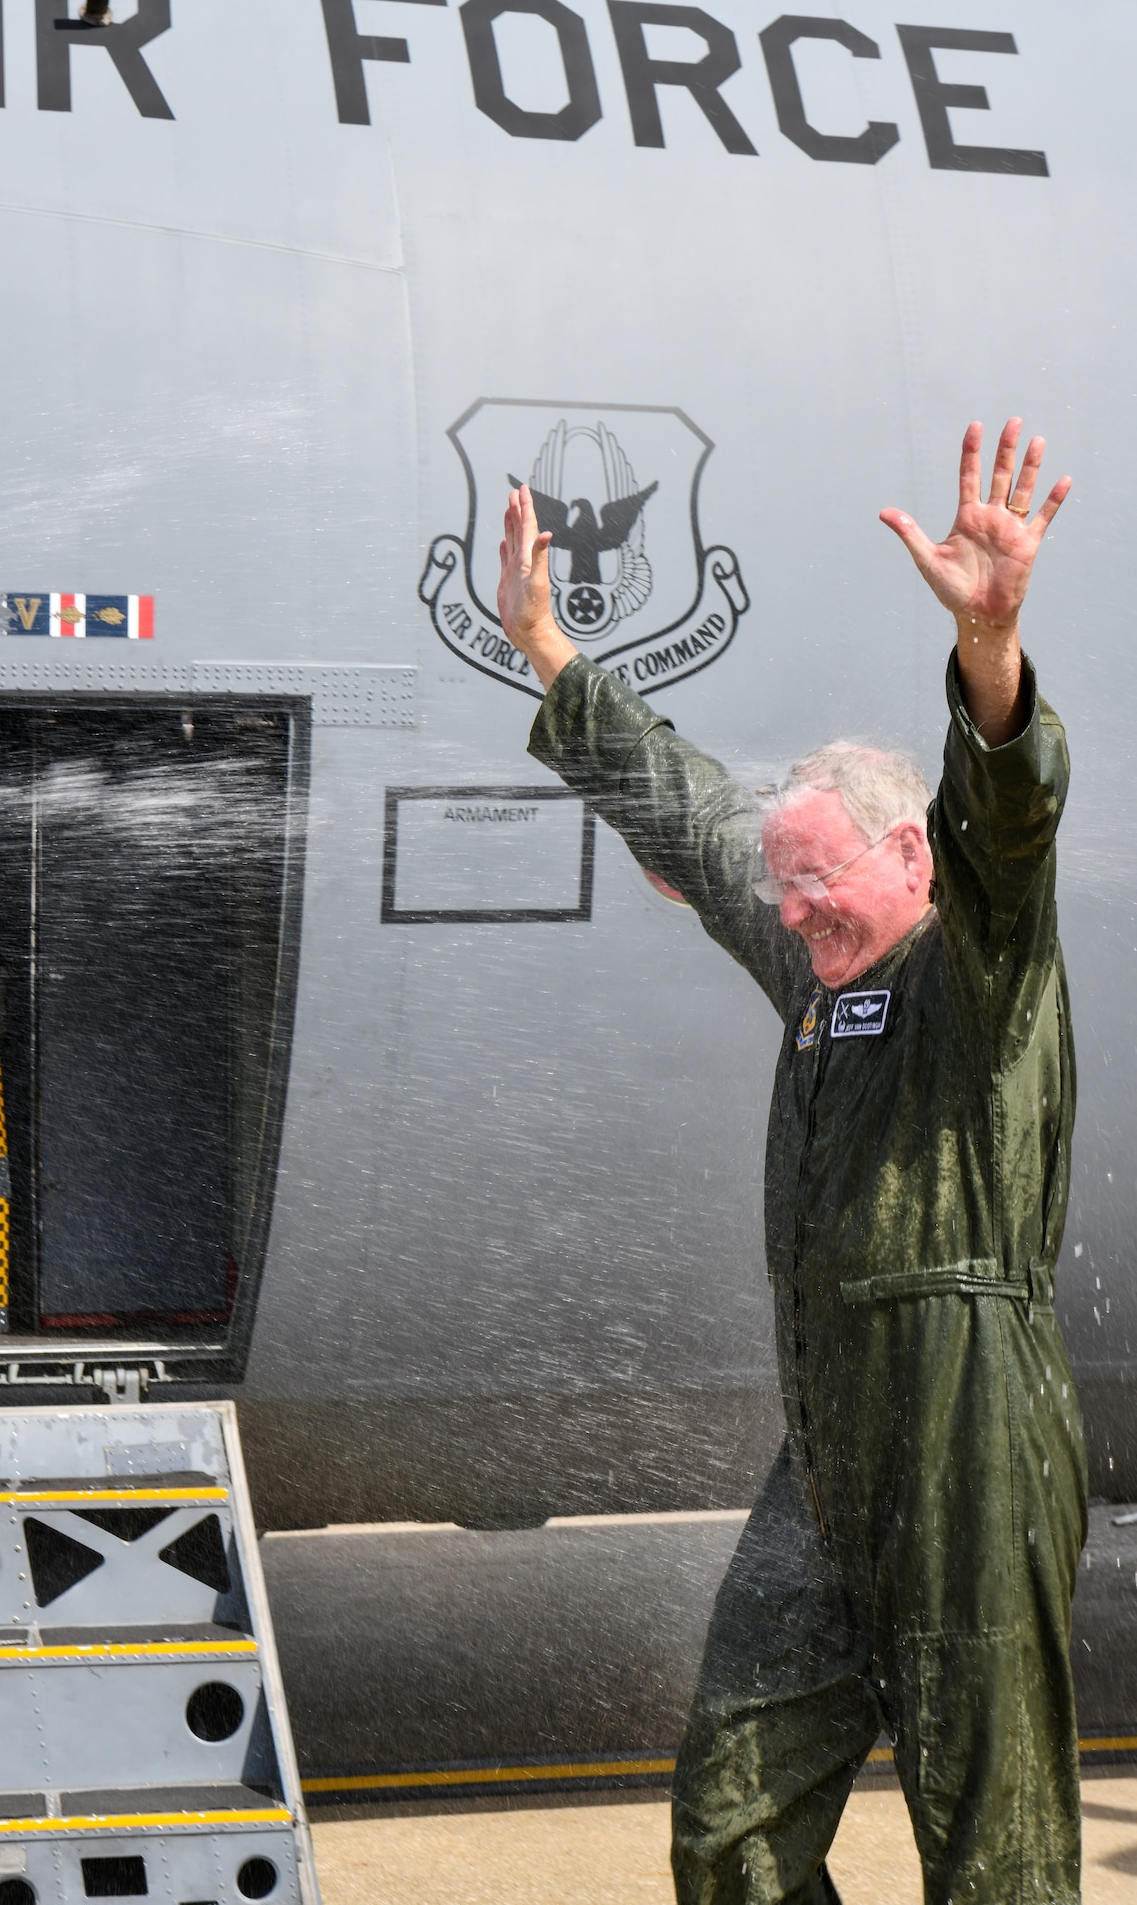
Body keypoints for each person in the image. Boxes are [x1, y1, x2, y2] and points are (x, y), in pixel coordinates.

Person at [497, 420, 1085, 1905]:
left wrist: (991, 650)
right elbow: (698, 822)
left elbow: (1008, 817)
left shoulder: (980, 969)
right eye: (793, 882)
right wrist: (554, 657)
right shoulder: (824, 969)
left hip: (967, 1433)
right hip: (829, 1451)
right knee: (733, 1821)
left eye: (826, 878)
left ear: (911, 859)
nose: (802, 904)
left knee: (991, 1843)